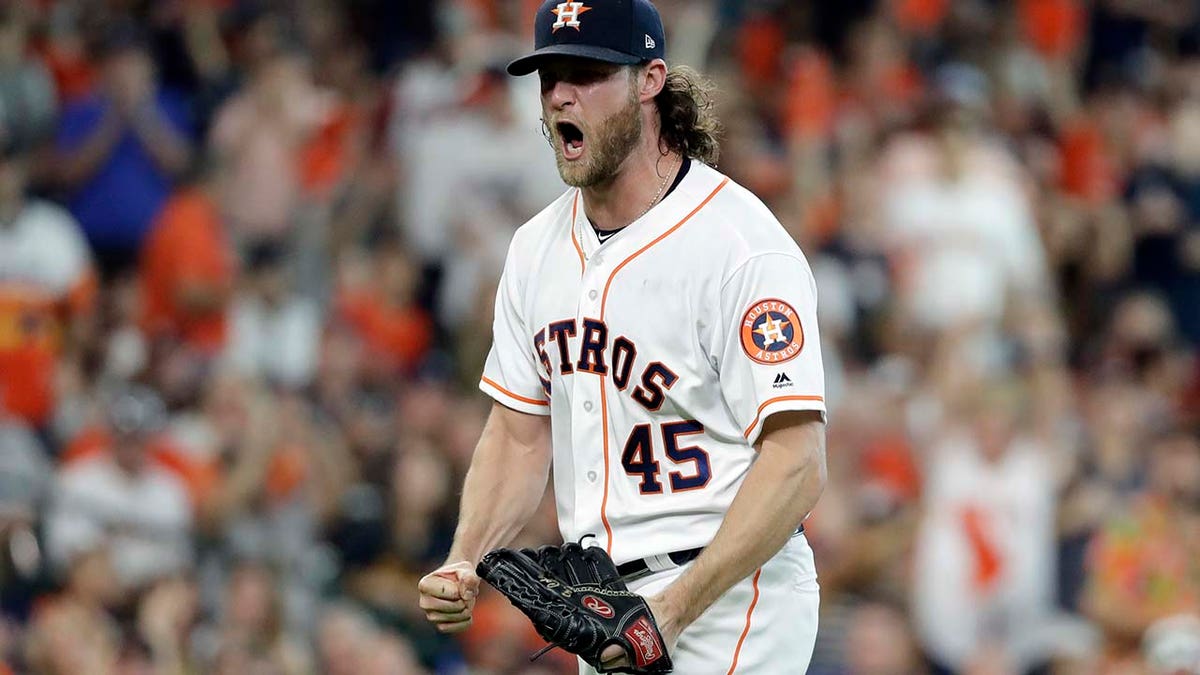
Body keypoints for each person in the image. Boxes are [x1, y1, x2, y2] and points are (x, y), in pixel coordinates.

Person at [417, 1, 828, 672]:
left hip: (734, 596)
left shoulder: (740, 246)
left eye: (587, 73)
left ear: (650, 80)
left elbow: (799, 460)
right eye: (550, 78)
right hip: (605, 607)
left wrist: (670, 610)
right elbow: (519, 431)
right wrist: (466, 553)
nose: (561, 96)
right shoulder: (534, 250)